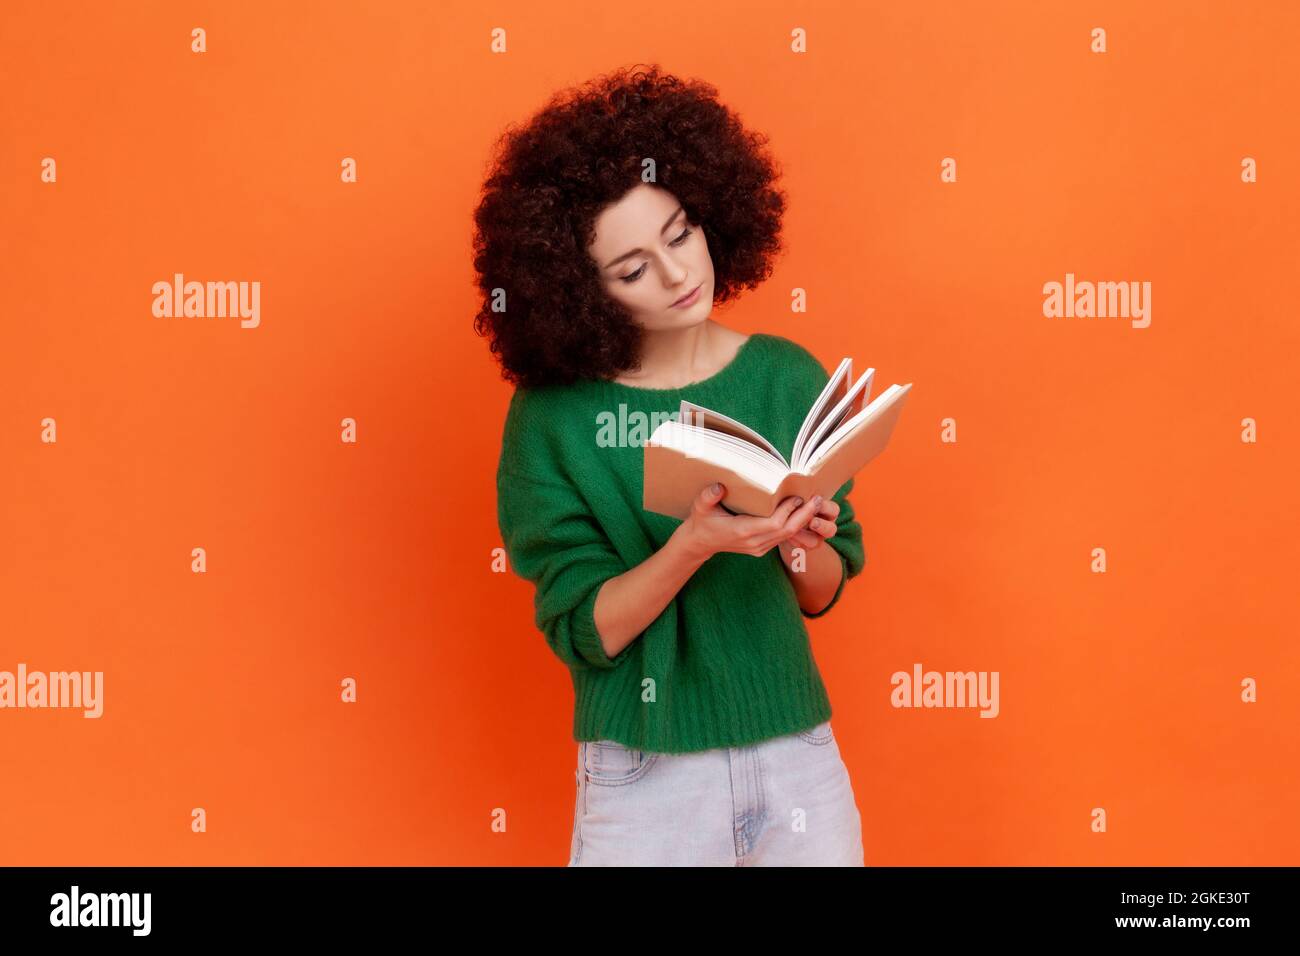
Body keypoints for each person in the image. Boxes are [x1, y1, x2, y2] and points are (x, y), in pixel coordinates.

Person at [474, 64, 866, 866]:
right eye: (633, 269)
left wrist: (800, 537)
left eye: (680, 233)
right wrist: (693, 543)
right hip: (647, 776)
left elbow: (823, 590)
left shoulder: (786, 376)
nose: (680, 273)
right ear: (581, 293)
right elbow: (587, 631)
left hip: (797, 755)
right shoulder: (554, 420)